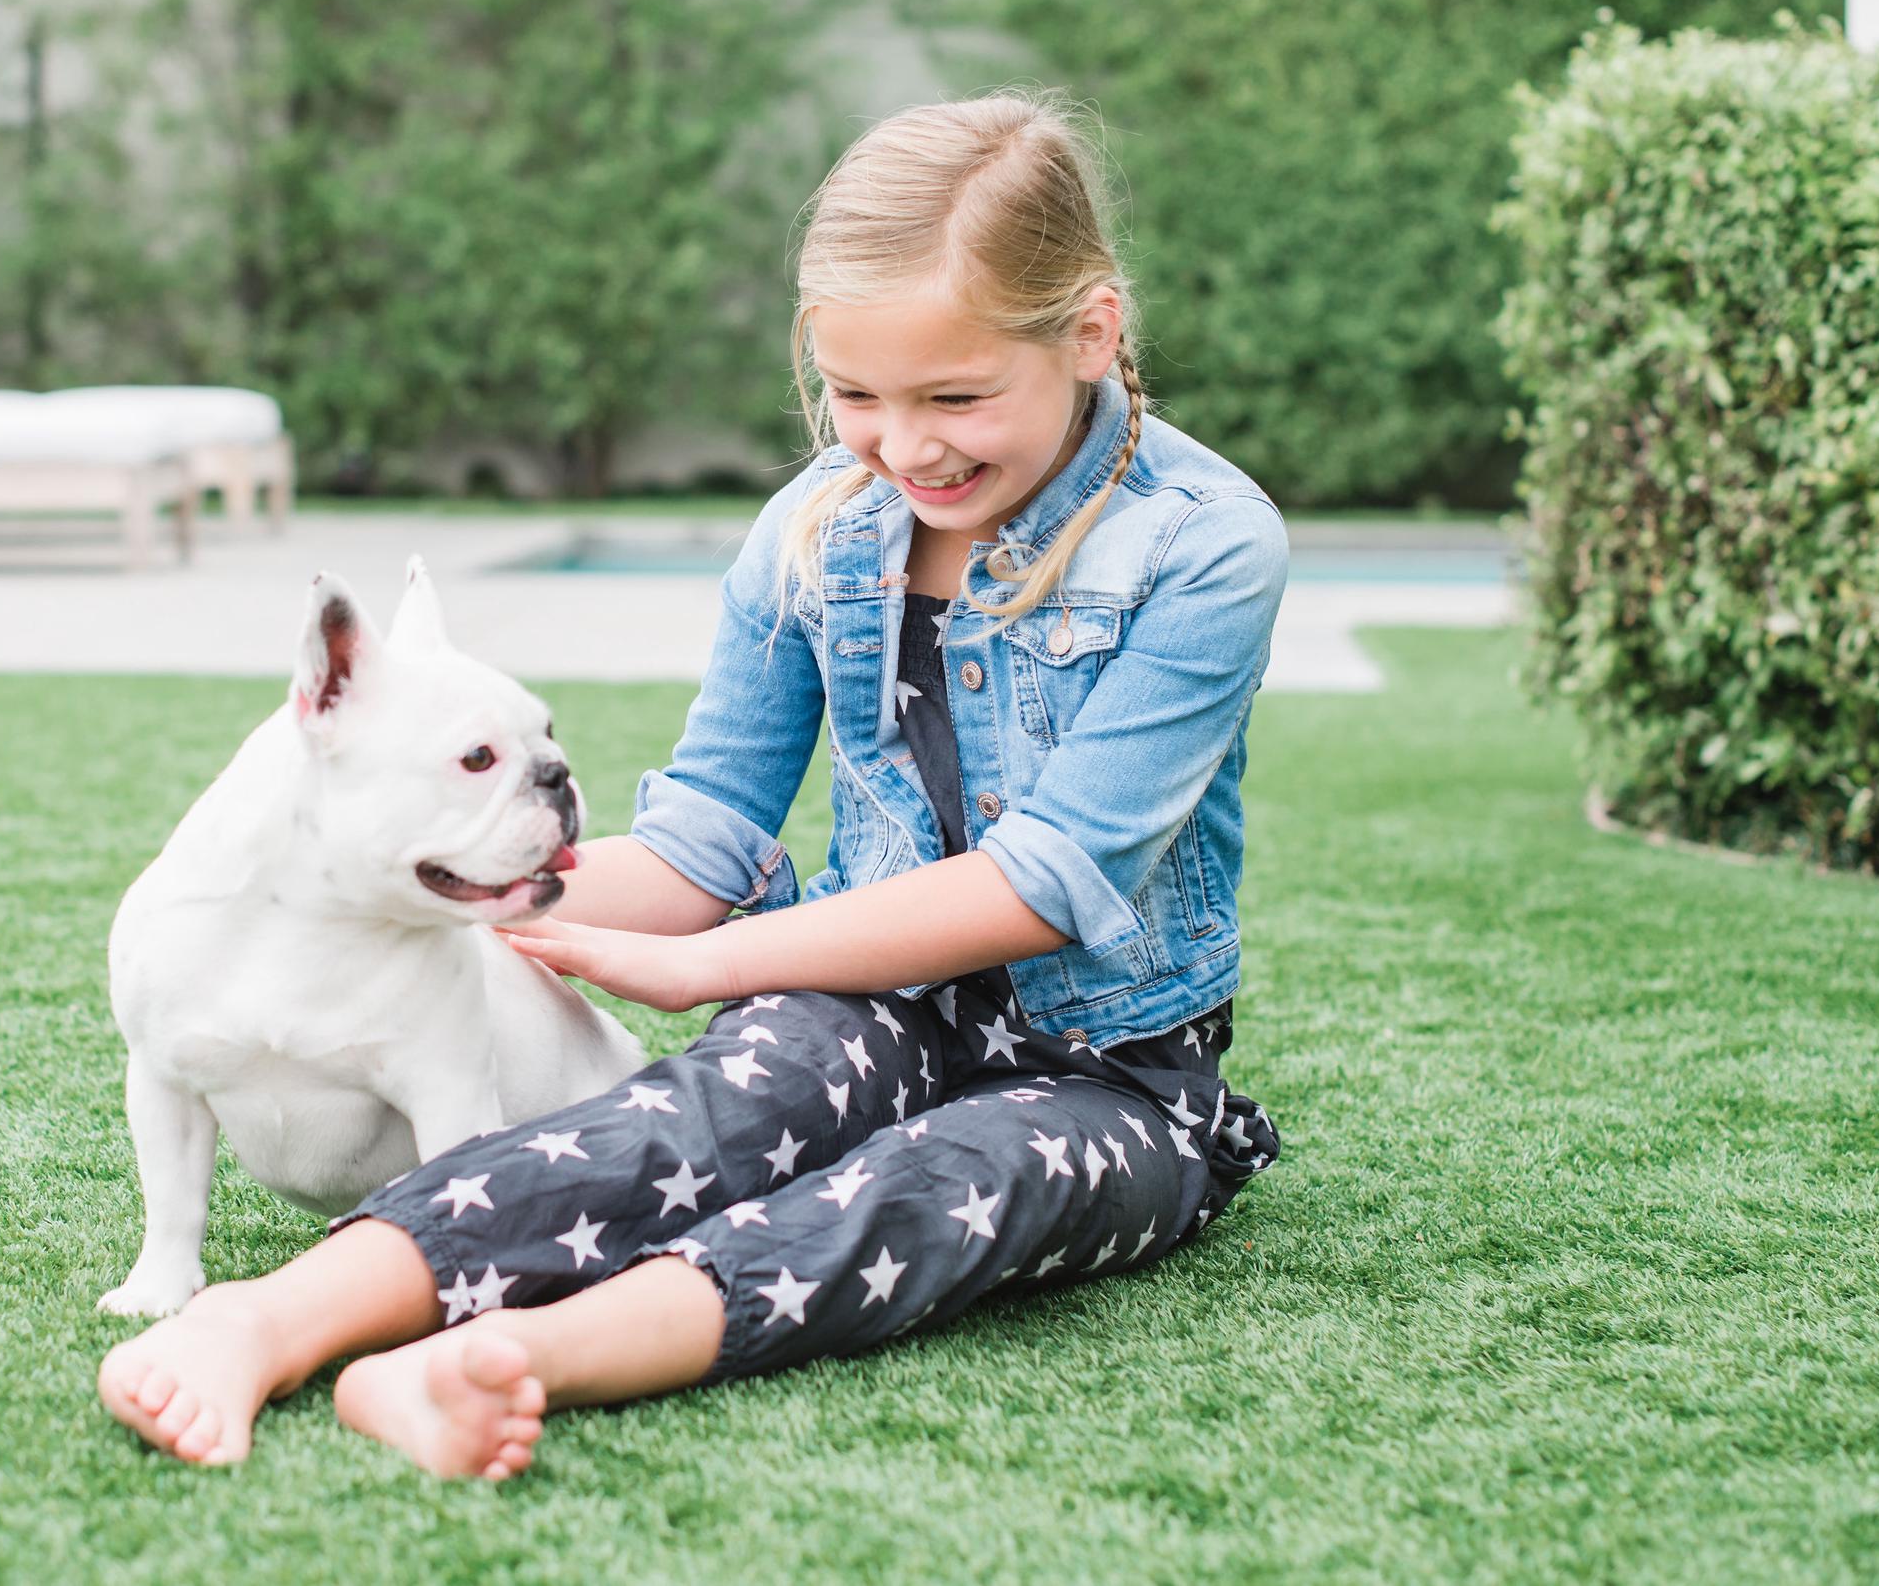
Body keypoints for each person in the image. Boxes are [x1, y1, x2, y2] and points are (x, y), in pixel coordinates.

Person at [96, 90, 1292, 1475]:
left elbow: (1048, 880)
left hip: (1115, 1075)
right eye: (857, 396)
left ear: (1091, 330)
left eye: (956, 397)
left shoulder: (1206, 545)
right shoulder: (816, 528)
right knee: (689, 1117)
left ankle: (507, 1360)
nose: (906, 448)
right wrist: (419, 890)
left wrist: (709, 969)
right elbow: (700, 843)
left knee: (936, 1191)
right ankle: (266, 1319)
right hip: (863, 1007)